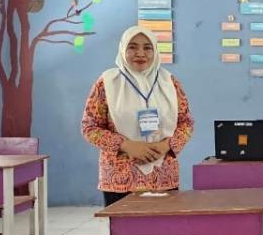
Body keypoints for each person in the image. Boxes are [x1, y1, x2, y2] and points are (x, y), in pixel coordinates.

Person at [81, 26, 193, 207]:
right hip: (120, 178)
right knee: (124, 225)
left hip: (162, 174)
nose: (140, 53)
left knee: (165, 224)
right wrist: (126, 145)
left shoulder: (169, 82)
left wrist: (166, 145)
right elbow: (90, 127)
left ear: (155, 51)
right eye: (132, 47)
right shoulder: (107, 83)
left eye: (147, 48)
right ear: (122, 49)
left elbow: (186, 123)